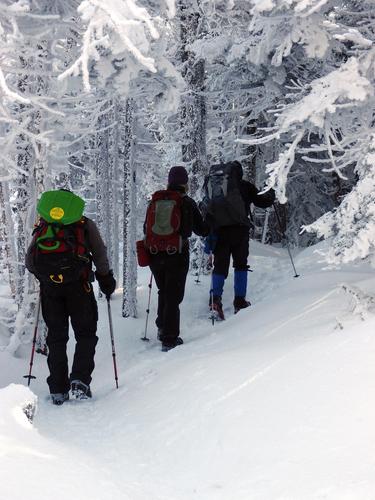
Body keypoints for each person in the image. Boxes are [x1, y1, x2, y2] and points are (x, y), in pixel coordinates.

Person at [25, 189, 116, 405]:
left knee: (56, 338)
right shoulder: (84, 224)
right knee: (85, 334)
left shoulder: (44, 225)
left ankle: (58, 389)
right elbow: (100, 253)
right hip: (79, 288)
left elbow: (30, 261)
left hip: (51, 290)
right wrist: (106, 279)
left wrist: (46, 277)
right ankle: (80, 383)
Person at [144, 166, 209, 351]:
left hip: (155, 255)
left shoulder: (155, 201)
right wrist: (210, 217)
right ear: (185, 183)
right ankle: (169, 339)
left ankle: (162, 327)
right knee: (173, 295)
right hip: (177, 254)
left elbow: (145, 229)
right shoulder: (187, 202)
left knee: (163, 291)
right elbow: (201, 230)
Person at [204, 161, 275, 319]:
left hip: (220, 231)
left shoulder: (216, 186)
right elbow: (262, 202)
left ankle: (215, 300)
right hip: (240, 232)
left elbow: (207, 207)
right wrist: (271, 192)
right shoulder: (245, 186)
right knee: (241, 266)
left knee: (220, 266)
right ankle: (239, 301)